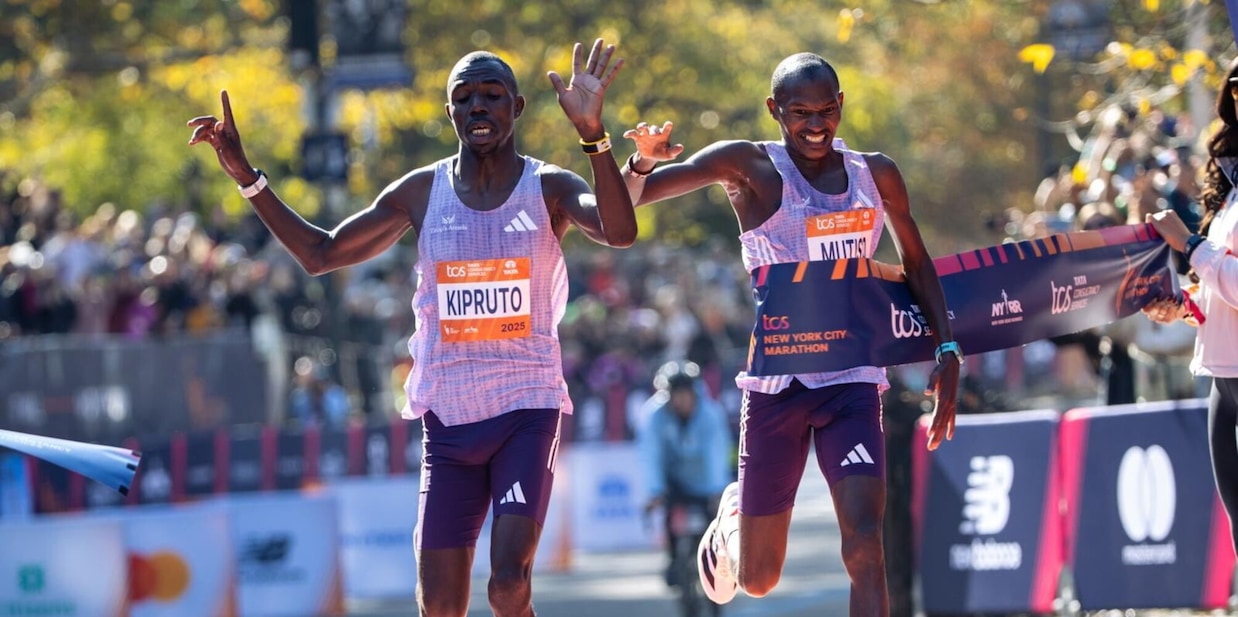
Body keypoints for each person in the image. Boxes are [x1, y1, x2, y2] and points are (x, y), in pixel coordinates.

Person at [187, 39, 637, 617]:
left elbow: (619, 231)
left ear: (517, 107)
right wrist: (248, 177)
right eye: (464, 97)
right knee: (440, 607)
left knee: (506, 586)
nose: (478, 107)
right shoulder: (421, 192)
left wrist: (593, 135)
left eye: (492, 96)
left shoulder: (548, 186)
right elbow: (321, 254)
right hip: (448, 423)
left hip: (526, 409)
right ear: (448, 113)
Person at [620, 53, 960, 616]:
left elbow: (917, 262)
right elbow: (629, 205)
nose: (817, 125)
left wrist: (946, 348)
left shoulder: (876, 175)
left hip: (852, 379)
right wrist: (639, 163)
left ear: (842, 104)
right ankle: (733, 523)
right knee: (757, 579)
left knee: (864, 545)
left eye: (827, 110)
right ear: (774, 110)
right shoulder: (750, 167)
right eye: (800, 112)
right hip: (778, 384)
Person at [1141, 56, 1238, 557]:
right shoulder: (1229, 183)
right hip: (1225, 379)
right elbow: (1224, 289)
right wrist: (1185, 303)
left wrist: (1190, 244)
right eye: (1236, 88)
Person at [637, 360, 733, 588]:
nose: (680, 400)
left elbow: (716, 454)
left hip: (706, 479)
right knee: (671, 515)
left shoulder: (711, 413)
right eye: (674, 395)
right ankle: (672, 559)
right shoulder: (654, 416)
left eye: (685, 394)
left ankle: (719, 565)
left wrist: (716, 490)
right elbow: (651, 455)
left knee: (713, 523)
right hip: (675, 479)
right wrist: (655, 491)